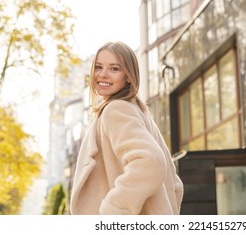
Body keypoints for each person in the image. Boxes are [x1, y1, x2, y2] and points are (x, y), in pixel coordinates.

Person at [70, 41, 183, 215]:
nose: (103, 75)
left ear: (129, 76)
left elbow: (151, 162)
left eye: (114, 69)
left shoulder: (116, 110)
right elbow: (174, 184)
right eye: (98, 67)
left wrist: (115, 209)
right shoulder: (137, 111)